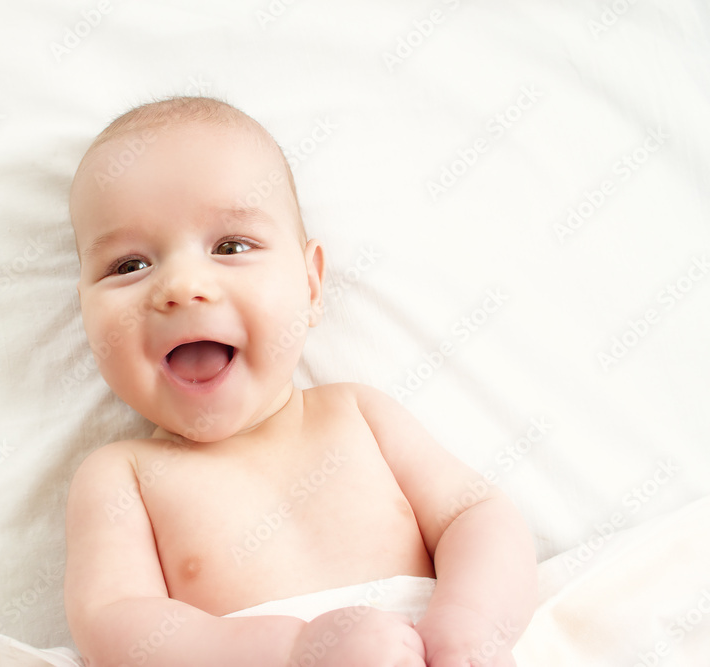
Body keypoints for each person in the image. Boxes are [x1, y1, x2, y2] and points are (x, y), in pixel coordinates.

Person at [64, 96, 537, 667]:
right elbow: (113, 623)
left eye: (230, 247)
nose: (182, 286)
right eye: (129, 266)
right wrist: (292, 651)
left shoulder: (359, 416)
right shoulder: (123, 476)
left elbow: (477, 515)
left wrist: (471, 624)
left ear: (311, 286)